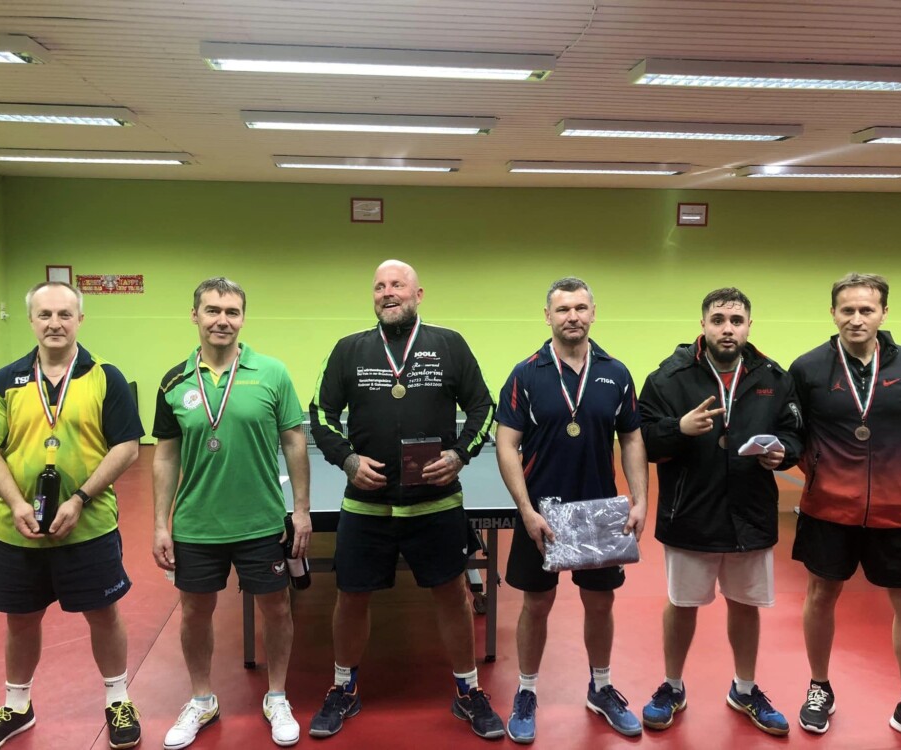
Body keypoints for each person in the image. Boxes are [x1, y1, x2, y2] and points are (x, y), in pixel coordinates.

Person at [307, 259, 503, 739]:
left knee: (452, 595)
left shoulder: (449, 344)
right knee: (351, 596)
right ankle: (343, 688)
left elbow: (483, 406)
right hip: (365, 504)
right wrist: (347, 460)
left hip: (436, 503)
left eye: (397, 284)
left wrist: (460, 455)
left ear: (418, 294)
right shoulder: (349, 349)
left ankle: (468, 690)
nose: (387, 292)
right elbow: (321, 413)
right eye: (379, 286)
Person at [0, 281, 144, 750]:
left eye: (65, 314)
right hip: (18, 530)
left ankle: (118, 699)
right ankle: (17, 706)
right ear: (31, 320)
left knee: (103, 614)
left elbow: (127, 447)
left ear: (80, 319)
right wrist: (17, 502)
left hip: (89, 526)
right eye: (45, 314)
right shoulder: (5, 381)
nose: (55, 323)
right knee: (21, 619)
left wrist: (80, 497)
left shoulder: (106, 377)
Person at [151, 277, 311, 748]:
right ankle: (202, 699)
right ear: (195, 315)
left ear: (242, 318)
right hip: (197, 525)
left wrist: (301, 510)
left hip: (261, 521)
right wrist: (160, 524)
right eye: (213, 310)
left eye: (232, 312)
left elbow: (295, 442)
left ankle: (277, 696)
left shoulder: (272, 373)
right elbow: (165, 457)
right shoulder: (174, 381)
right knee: (194, 612)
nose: (222, 320)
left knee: (277, 608)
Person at [637, 287, 803, 737]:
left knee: (746, 605)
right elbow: (643, 439)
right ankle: (672, 686)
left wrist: (783, 453)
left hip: (750, 512)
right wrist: (679, 428)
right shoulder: (668, 378)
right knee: (682, 604)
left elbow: (794, 432)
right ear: (703, 324)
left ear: (749, 325)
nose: (727, 328)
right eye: (718, 320)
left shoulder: (773, 377)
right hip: (690, 510)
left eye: (736, 320)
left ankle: (744, 689)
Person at [790, 273, 901, 748]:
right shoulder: (807, 368)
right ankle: (819, 687)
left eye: (866, 310)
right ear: (833, 313)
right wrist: (828, 474)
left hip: (898, 508)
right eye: (847, 310)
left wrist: (893, 472)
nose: (856, 319)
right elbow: (799, 435)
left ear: (883, 313)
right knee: (821, 595)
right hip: (828, 508)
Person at [495, 276, 649, 744]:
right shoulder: (526, 374)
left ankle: (601, 688)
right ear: (548, 316)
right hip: (542, 514)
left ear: (593, 313)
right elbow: (506, 443)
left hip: (600, 512)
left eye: (581, 308)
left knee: (600, 603)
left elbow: (632, 437)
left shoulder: (616, 373)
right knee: (536, 604)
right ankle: (526, 692)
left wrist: (640, 499)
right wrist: (525, 510)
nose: (573, 317)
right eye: (563, 309)